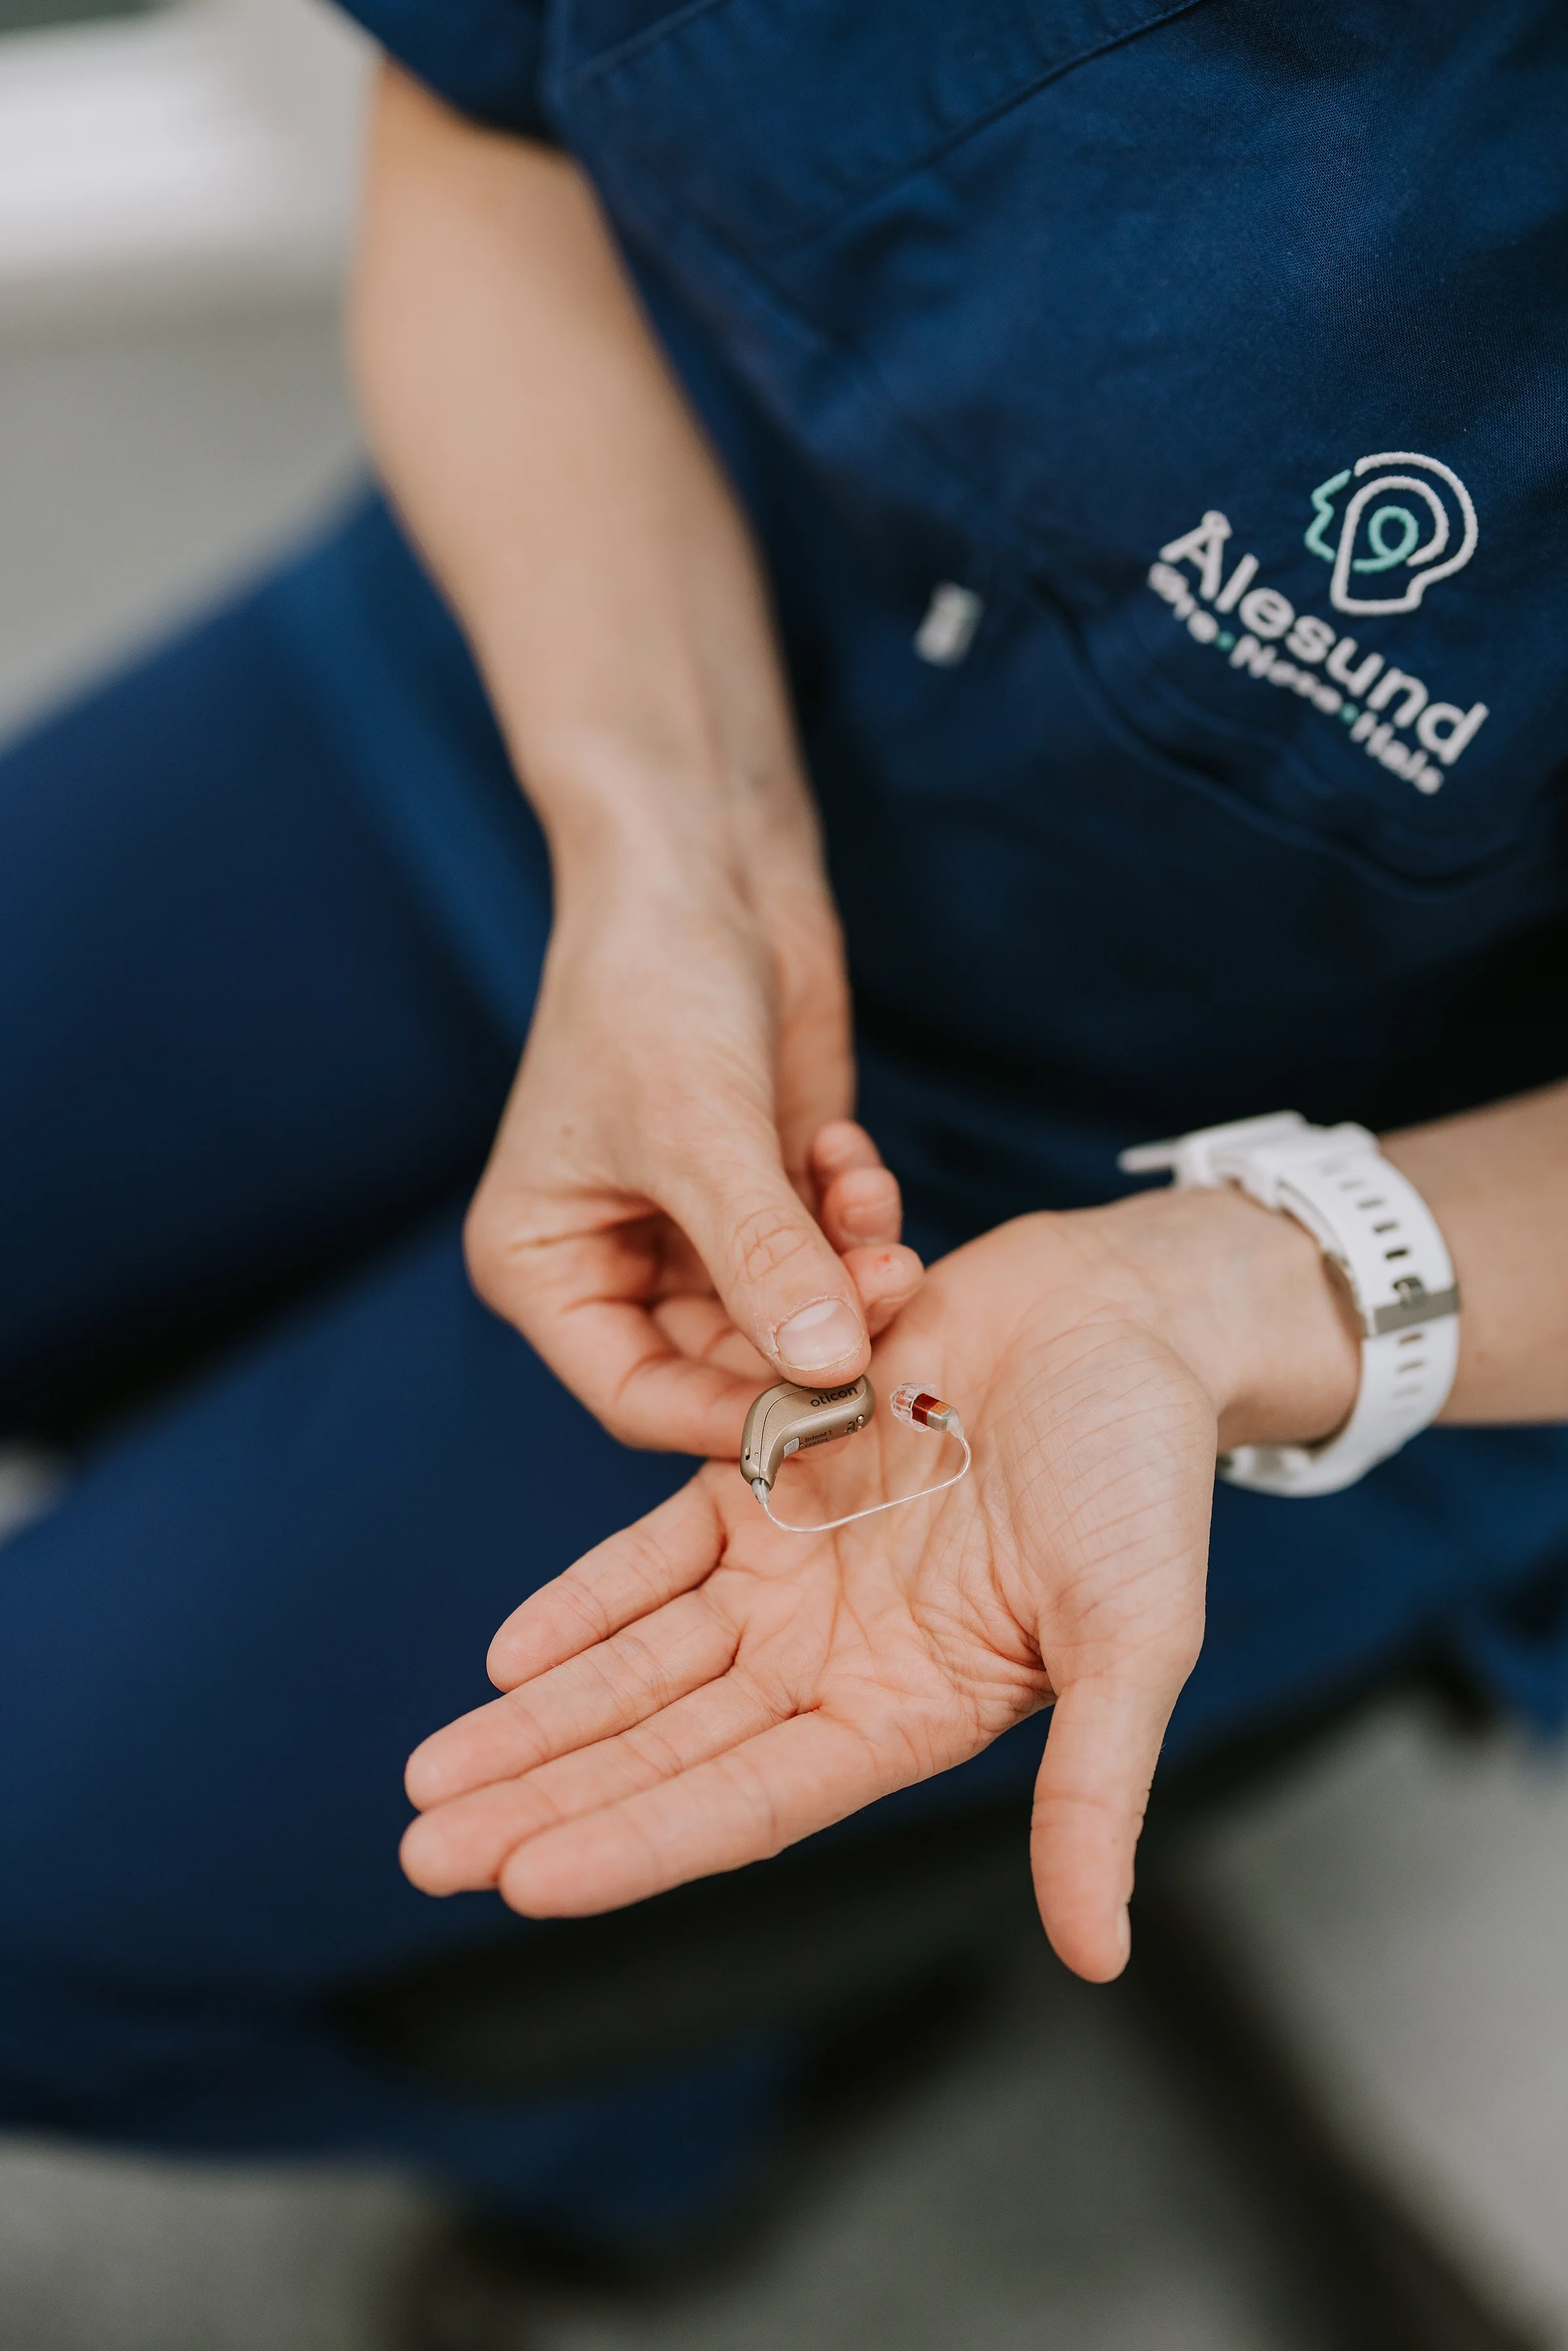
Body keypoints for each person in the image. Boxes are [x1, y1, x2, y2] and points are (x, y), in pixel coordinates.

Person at [1, 0, 1566, 2332]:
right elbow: (484, 117)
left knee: (45, 1914)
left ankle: (670, 2122)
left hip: (1253, 1164)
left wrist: (1252, 1288)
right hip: (556, 670)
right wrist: (669, 838)